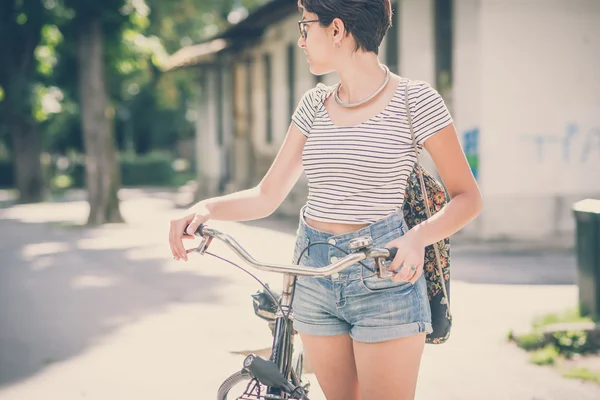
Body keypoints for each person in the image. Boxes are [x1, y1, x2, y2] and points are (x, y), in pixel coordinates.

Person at [169, 0, 482, 398]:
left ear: (337, 29)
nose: (301, 40)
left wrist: (418, 237)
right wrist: (207, 207)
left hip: (382, 274)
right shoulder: (314, 104)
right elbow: (267, 195)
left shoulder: (414, 100)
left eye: (305, 27)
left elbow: (467, 197)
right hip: (312, 272)